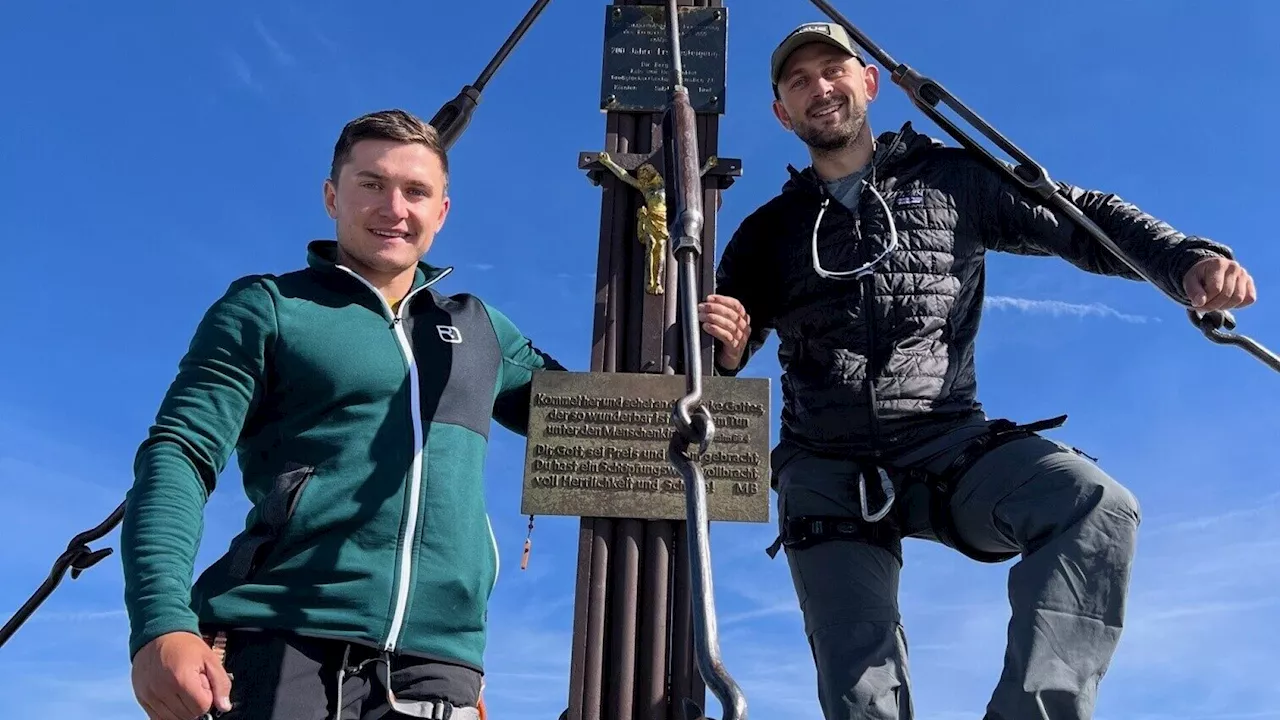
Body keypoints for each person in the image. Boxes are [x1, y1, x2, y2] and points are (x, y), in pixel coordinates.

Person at [699, 22, 1258, 720]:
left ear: (868, 82)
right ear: (783, 113)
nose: (820, 88)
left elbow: (1078, 217)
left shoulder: (952, 180)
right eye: (799, 81)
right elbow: (716, 369)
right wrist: (723, 350)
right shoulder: (768, 233)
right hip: (825, 464)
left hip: (944, 439)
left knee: (1090, 504)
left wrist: (1186, 262)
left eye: (833, 70)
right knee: (859, 684)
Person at [122, 108, 563, 720]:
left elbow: (608, 417)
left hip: (440, 663)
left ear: (442, 211)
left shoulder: (480, 329)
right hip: (280, 635)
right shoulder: (270, 307)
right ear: (332, 196)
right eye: (371, 185)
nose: (395, 208)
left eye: (416, 191)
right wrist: (159, 623)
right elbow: (179, 454)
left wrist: (716, 357)